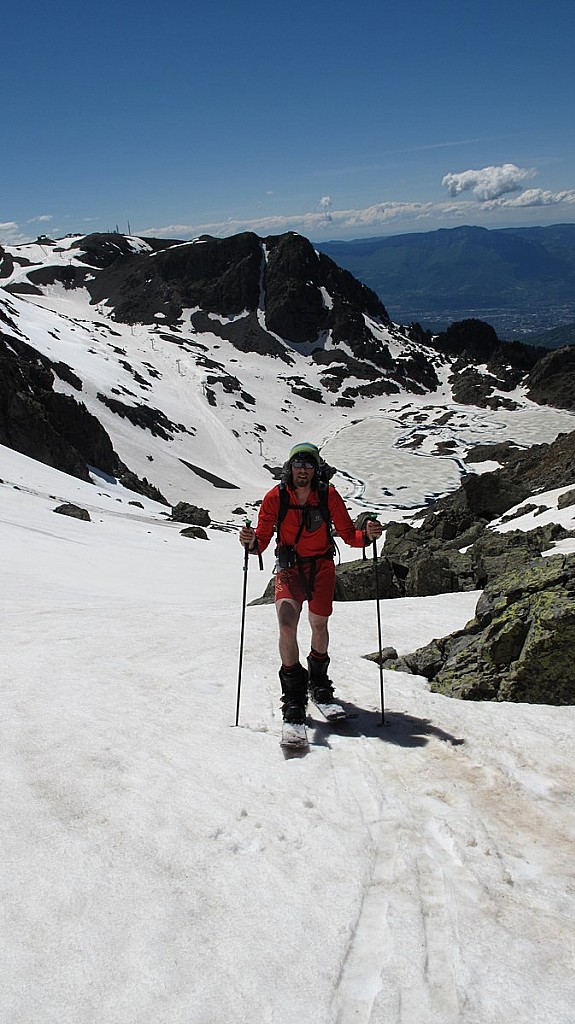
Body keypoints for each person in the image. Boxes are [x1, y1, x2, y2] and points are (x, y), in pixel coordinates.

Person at [239, 442, 383, 724]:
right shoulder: (275, 497)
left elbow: (348, 534)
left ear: (316, 469)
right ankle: (293, 693)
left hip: (321, 567)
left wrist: (366, 536)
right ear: (289, 468)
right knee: (286, 624)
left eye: (308, 465)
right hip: (290, 569)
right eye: (298, 464)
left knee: (319, 624)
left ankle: (318, 682)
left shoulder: (328, 495)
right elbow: (263, 539)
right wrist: (252, 542)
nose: (302, 470)